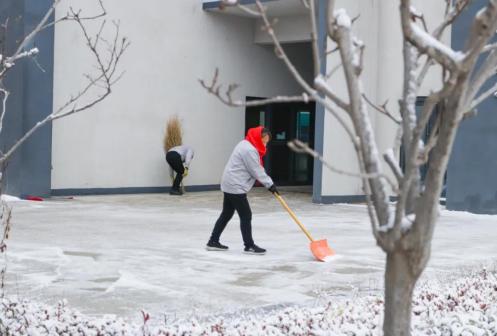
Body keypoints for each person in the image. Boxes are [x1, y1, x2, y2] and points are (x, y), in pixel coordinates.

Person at [206, 126, 278, 255]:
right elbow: (256, 170)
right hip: (235, 185)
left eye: (267, 142)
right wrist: (270, 185)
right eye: (264, 141)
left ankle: (213, 241)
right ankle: (249, 245)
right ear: (258, 138)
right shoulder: (249, 150)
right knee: (246, 215)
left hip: (230, 183)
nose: (265, 144)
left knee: (227, 213)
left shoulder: (245, 143)